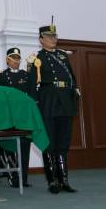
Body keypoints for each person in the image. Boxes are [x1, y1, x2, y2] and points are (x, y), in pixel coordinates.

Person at [28, 24, 80, 194]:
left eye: (54, 36)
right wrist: (36, 106)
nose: (53, 39)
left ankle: (64, 180)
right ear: (41, 39)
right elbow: (32, 85)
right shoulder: (37, 58)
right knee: (49, 143)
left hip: (65, 102)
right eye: (49, 36)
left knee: (63, 142)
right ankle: (52, 181)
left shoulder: (63, 56)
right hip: (48, 103)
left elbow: (72, 77)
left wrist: (74, 93)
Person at [0, 47, 33, 188]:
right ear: (8, 60)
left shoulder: (26, 75)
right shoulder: (2, 76)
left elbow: (31, 94)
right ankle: (13, 176)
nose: (16, 61)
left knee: (24, 147)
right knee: (11, 147)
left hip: (23, 117)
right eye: (13, 58)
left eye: (18, 58)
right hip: (9, 117)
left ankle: (23, 178)